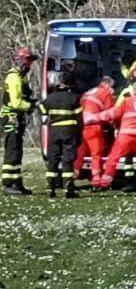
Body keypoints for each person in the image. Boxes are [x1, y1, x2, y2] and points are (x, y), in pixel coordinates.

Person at [88, 80, 136, 192]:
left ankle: (105, 182)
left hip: (126, 135)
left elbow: (113, 113)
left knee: (113, 159)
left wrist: (95, 117)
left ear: (133, 91)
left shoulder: (127, 101)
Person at [1, 47, 39, 195]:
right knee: (12, 149)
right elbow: (16, 103)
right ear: (21, 61)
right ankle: (8, 184)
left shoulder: (20, 76)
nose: (30, 65)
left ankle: (17, 183)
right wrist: (32, 105)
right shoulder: (14, 77)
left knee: (17, 150)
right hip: (11, 117)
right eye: (29, 61)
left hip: (17, 117)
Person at [39, 71, 82, 198]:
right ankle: (68, 189)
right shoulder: (74, 98)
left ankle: (50, 188)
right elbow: (80, 117)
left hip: (54, 131)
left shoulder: (50, 97)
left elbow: (42, 110)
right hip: (69, 131)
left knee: (53, 158)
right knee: (67, 159)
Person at [74, 76, 115, 188]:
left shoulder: (89, 92)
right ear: (107, 85)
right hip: (94, 126)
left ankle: (72, 175)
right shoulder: (106, 92)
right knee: (96, 153)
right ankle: (96, 178)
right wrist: (114, 125)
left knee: (80, 151)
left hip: (81, 124)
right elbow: (109, 112)